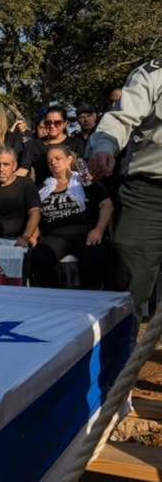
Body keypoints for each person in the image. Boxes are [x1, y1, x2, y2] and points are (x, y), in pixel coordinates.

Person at [87, 58, 162, 309]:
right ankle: (123, 345)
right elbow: (120, 118)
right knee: (130, 284)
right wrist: (104, 147)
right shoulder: (152, 74)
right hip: (149, 195)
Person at [31, 144, 113, 289]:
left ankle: (88, 299)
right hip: (55, 235)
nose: (53, 162)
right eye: (50, 160)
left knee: (95, 256)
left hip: (84, 232)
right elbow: (36, 213)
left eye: (58, 158)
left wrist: (99, 230)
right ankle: (55, 298)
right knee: (40, 257)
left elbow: (106, 204)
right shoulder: (43, 188)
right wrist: (34, 234)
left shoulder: (85, 180)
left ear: (69, 159)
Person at [18, 105, 85, 183]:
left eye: (57, 123)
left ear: (65, 123)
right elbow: (23, 170)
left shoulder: (76, 143)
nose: (52, 126)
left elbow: (83, 170)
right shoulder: (34, 145)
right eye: (48, 122)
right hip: (43, 191)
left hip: (72, 190)